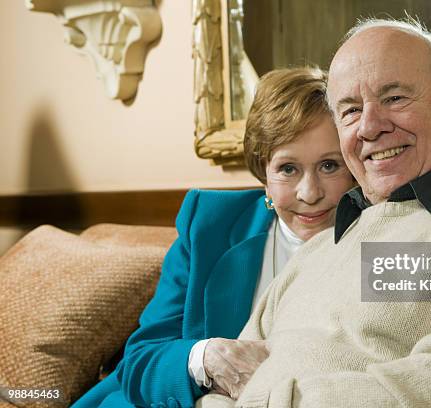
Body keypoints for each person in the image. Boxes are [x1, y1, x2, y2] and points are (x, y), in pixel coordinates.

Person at [198, 18, 431, 408]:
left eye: (394, 98)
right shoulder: (320, 247)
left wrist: (267, 400)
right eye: (349, 110)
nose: (369, 127)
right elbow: (226, 384)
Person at [72, 67, 354, 408]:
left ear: (353, 166)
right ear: (264, 170)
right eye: (288, 169)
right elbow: (142, 359)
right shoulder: (209, 224)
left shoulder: (385, 238)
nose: (309, 193)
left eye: (329, 166)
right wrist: (204, 357)